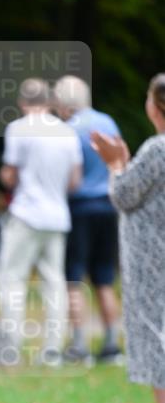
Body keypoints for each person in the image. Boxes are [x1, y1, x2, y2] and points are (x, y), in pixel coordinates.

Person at [91, 73, 165, 403]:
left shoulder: (157, 149)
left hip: (154, 259)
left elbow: (123, 195)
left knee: (159, 341)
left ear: (155, 106)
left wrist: (115, 163)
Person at [0, 78, 83, 365]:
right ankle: (52, 350)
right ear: (50, 102)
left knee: (10, 279)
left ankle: (12, 348)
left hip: (26, 214)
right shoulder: (68, 132)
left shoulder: (18, 128)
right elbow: (74, 180)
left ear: (22, 103)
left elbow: (10, 175)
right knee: (54, 282)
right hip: (58, 217)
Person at [54, 75, 123, 364]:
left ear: (64, 104)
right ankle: (111, 343)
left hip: (79, 208)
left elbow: (68, 176)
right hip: (109, 205)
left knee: (74, 277)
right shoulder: (107, 122)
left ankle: (80, 345)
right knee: (104, 277)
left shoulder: (66, 131)